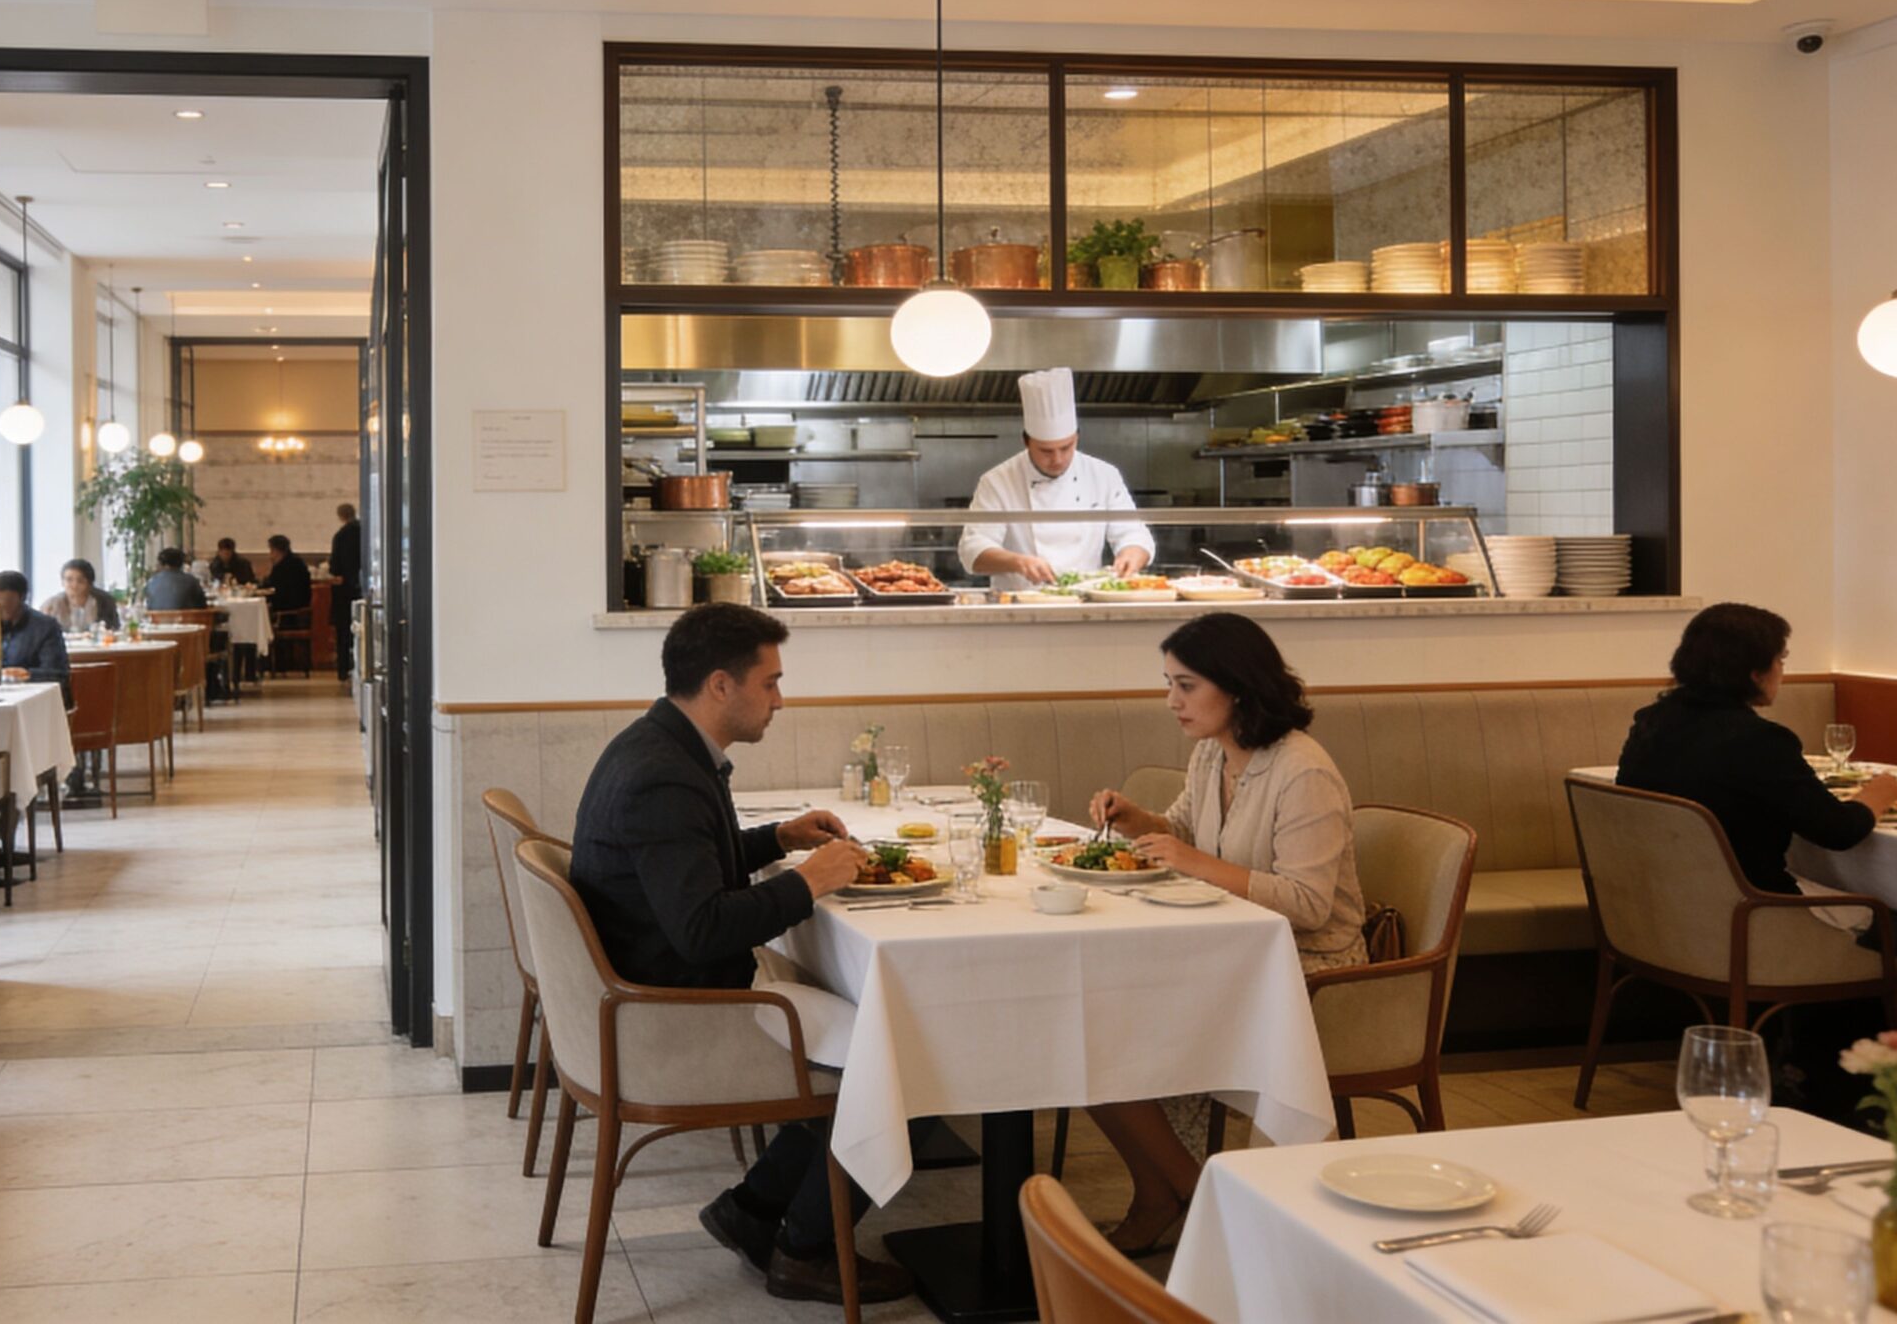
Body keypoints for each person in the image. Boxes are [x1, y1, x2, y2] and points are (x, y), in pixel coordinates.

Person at [567, 603, 910, 1305]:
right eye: (771, 683)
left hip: (651, 988)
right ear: (721, 685)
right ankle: (807, 1250)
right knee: (910, 1048)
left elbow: (689, 865)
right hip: (680, 1010)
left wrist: (778, 839)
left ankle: (753, 1213)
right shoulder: (665, 776)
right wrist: (812, 883)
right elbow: (700, 927)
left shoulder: (662, 745)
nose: (780, 700)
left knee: (883, 1025)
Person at [1080, 613, 1365, 1256]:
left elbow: (1311, 905)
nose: (1172, 702)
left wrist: (1195, 865)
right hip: (1231, 952)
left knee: (1105, 1036)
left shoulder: (1303, 772)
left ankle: (1193, 1196)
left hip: (1313, 968)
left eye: (1186, 685)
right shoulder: (1213, 752)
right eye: (1169, 684)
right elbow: (1185, 831)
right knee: (1085, 1030)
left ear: (1236, 687)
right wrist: (1133, 820)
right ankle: (1180, 1190)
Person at [1618, 603, 1897, 895]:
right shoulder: (1760, 741)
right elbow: (1837, 831)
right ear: (1755, 673)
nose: (1782, 670)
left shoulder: (1652, 721)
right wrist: (1876, 795)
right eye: (1780, 659)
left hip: (1661, 907)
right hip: (1751, 912)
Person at [958, 366, 1156, 590]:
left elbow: (1133, 533)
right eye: (1046, 451)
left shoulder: (1103, 475)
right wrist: (1018, 562)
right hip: (1019, 607)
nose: (1058, 459)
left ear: (1077, 437)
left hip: (1085, 602)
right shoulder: (997, 481)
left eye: (1066, 447)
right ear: (1026, 442)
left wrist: (1131, 553)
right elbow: (972, 550)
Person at [0, 570, 69, 685]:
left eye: (8, 601)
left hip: (34, 692)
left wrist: (27, 674)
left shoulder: (45, 627)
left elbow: (57, 672)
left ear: (22, 598)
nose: (1, 606)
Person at [329, 503, 362, 682]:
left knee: (343, 631)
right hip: (362, 588)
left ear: (340, 516)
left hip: (344, 591)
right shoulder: (363, 532)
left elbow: (335, 566)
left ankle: (343, 669)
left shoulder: (341, 536)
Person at [44, 558, 120, 633]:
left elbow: (113, 629)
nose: (74, 585)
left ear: (89, 583)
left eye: (80, 581)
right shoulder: (52, 604)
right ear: (62, 582)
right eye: (69, 580)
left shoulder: (105, 601)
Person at [141, 547, 209, 611]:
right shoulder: (192, 581)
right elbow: (203, 606)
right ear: (181, 563)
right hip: (188, 622)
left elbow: (149, 606)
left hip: (158, 622)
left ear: (161, 563)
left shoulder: (152, 582)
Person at [261, 535, 313, 618]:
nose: (270, 554)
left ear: (277, 550)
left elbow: (277, 586)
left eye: (271, 550)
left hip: (291, 607)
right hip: (291, 602)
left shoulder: (289, 565)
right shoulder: (295, 561)